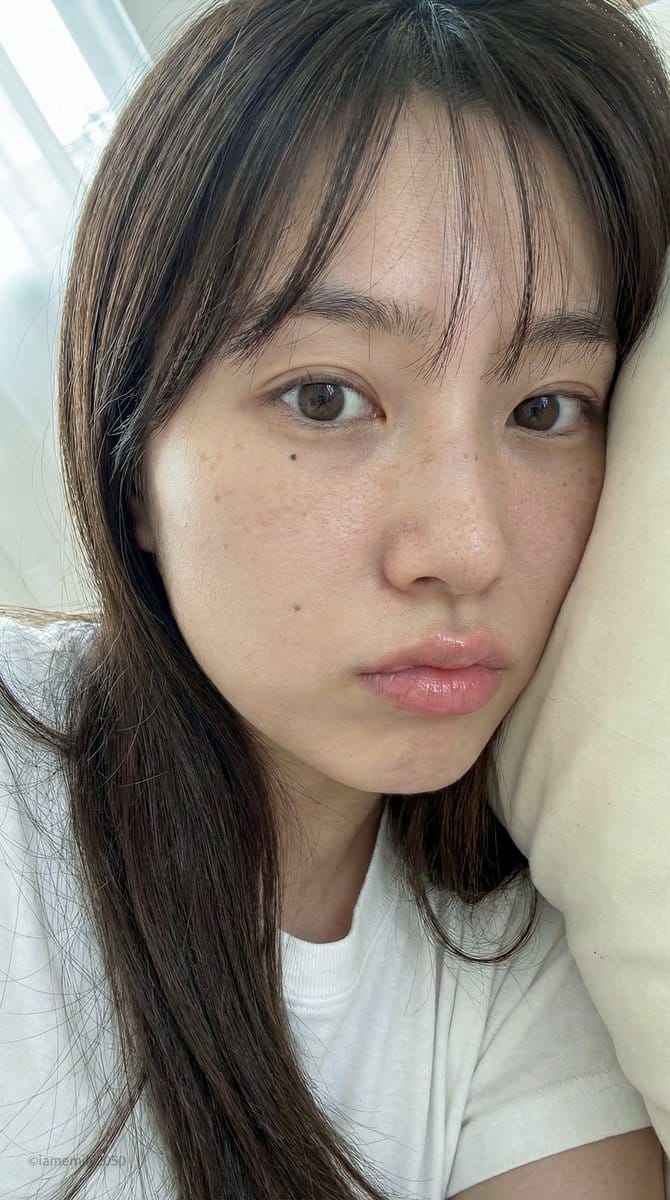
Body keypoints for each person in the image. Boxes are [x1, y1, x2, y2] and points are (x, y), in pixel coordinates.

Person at [1, 1, 669, 1197]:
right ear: (134, 465)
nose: (464, 548)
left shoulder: (511, 964)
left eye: (545, 409)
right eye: (324, 398)